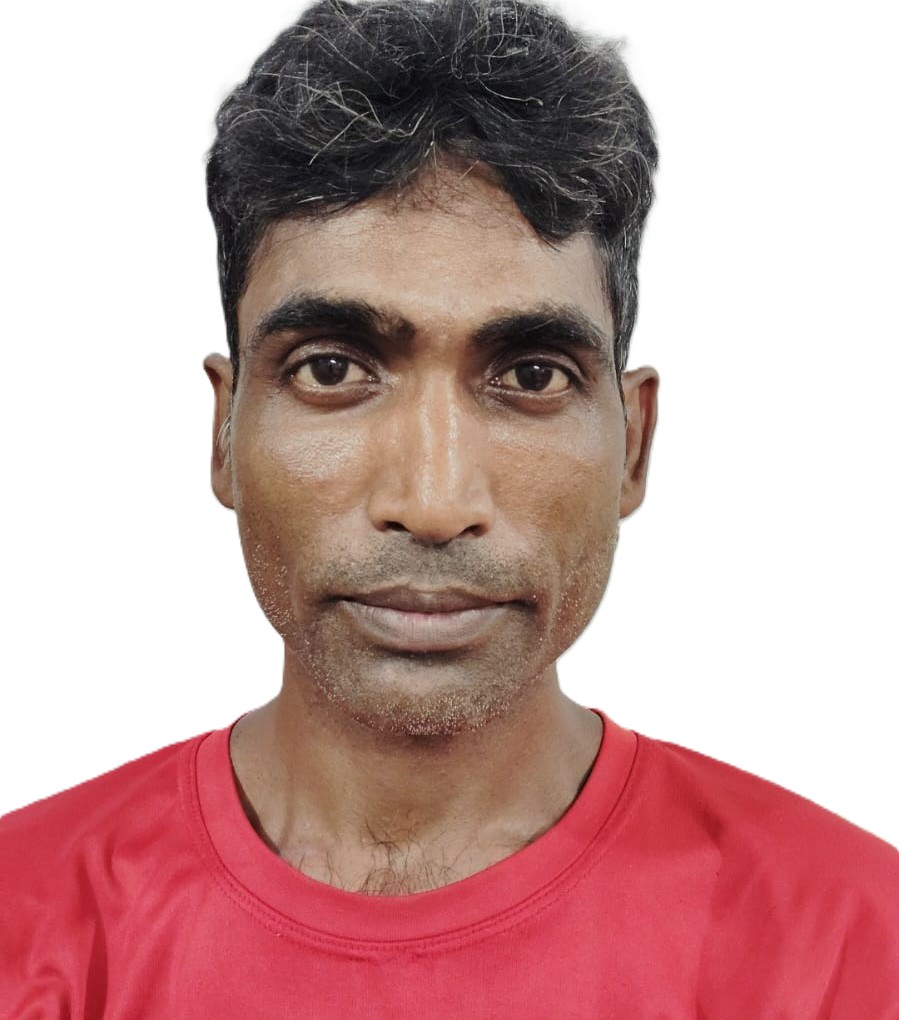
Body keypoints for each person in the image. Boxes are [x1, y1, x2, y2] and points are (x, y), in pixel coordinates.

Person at [1, 0, 896, 1015]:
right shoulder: (24, 929)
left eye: (531, 375)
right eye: (331, 368)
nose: (431, 503)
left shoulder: (854, 952)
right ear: (223, 432)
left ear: (634, 445)